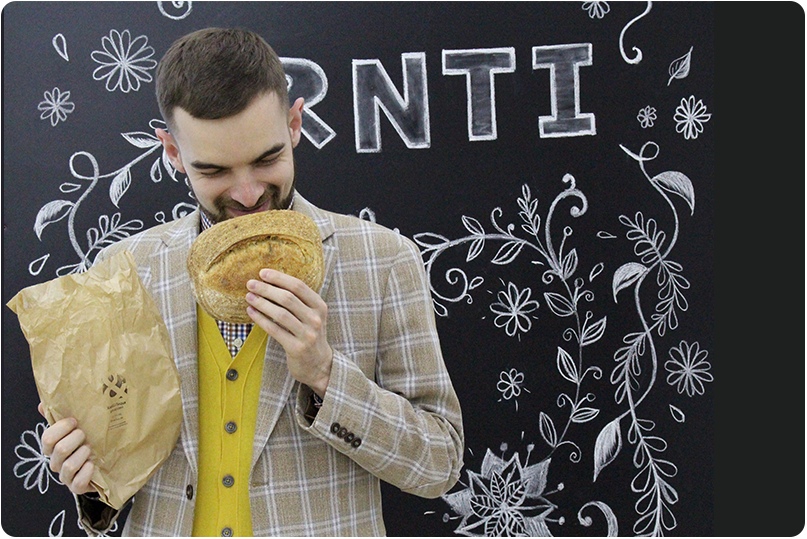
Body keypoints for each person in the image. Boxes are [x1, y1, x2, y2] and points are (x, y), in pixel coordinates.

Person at [39, 27, 464, 537]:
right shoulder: (123, 270)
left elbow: (439, 464)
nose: (247, 193)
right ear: (173, 153)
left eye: (267, 159)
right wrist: (90, 478)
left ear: (295, 125)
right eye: (214, 170)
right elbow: (114, 459)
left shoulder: (384, 260)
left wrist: (326, 376)